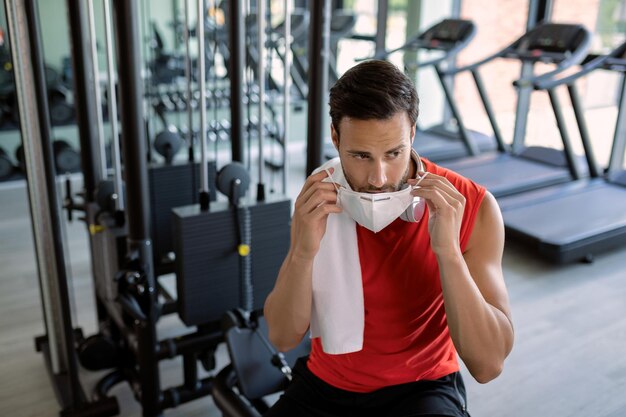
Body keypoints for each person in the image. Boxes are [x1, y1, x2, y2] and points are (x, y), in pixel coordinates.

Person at [263, 60, 514, 417]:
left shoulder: (473, 205)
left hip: (422, 387)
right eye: (360, 156)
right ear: (335, 138)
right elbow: (283, 336)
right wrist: (303, 252)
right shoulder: (320, 194)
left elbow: (488, 365)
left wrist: (448, 253)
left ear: (412, 132)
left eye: (393, 154)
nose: (378, 178)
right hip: (326, 382)